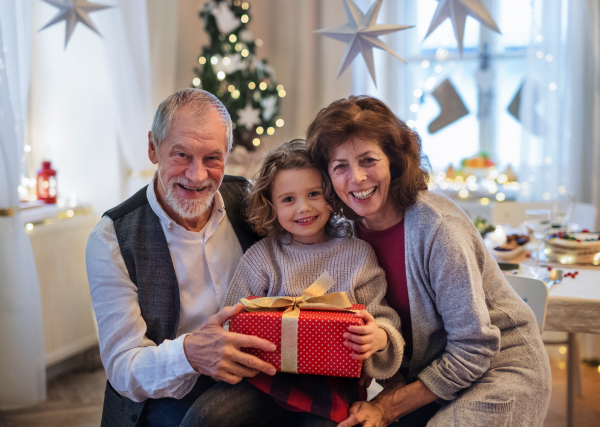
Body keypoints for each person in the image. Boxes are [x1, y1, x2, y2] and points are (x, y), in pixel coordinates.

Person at [305, 95, 552, 427]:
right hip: (431, 378)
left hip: (500, 371)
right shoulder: (346, 234)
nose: (358, 178)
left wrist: (386, 408)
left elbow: (474, 348)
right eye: (340, 167)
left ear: (393, 160)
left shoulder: (436, 226)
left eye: (368, 160)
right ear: (328, 178)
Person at [86, 88, 281, 427]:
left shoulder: (251, 201)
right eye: (181, 155)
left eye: (212, 158)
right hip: (170, 387)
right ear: (152, 148)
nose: (197, 175)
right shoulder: (112, 238)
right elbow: (123, 368)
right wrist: (191, 353)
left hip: (258, 374)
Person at [181, 140, 405, 427]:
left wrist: (379, 336)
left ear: (332, 194)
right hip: (262, 376)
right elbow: (232, 317)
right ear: (270, 205)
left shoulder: (358, 254)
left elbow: (384, 319)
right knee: (203, 418)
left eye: (314, 193)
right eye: (288, 199)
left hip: (332, 383)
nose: (303, 208)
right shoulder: (262, 256)